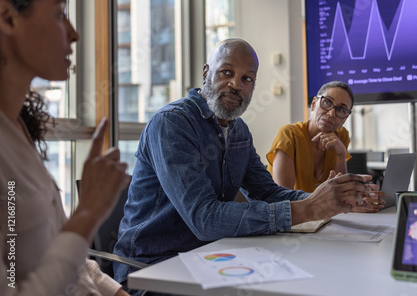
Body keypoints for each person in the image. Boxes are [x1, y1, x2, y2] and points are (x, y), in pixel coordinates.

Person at [113, 38, 378, 294]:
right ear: (206, 72)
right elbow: (204, 219)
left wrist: (331, 200)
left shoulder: (239, 132)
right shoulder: (172, 124)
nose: (235, 84)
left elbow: (269, 192)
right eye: (226, 72)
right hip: (153, 270)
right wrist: (309, 208)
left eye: (246, 79)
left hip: (209, 258)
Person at [0, 0, 131, 295]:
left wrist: (117, 292)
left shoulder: (19, 130)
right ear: (8, 18)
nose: (74, 33)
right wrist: (87, 212)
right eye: (60, 15)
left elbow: (64, 254)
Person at [266, 81, 386, 212]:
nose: (331, 114)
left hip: (322, 219)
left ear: (345, 118)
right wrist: (347, 206)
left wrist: (341, 155)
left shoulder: (341, 136)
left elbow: (341, 195)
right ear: (313, 104)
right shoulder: (289, 135)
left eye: (341, 110)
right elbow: (284, 201)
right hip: (290, 219)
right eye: (327, 102)